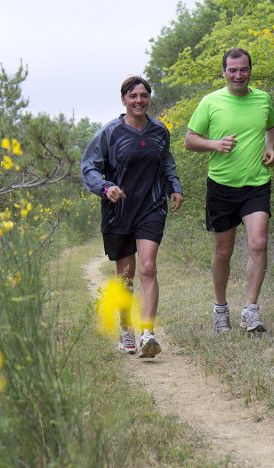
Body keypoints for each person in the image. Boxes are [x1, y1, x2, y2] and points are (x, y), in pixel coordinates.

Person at [81, 76, 183, 357]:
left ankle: (147, 333)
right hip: (119, 210)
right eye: (133, 96)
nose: (139, 100)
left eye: (143, 95)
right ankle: (126, 331)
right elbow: (89, 167)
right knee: (125, 276)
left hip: (151, 207)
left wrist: (174, 187)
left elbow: (166, 162)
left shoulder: (160, 131)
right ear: (124, 100)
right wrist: (105, 187)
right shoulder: (109, 133)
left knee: (148, 267)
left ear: (149, 98)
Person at [184, 48, 274, 334]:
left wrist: (271, 147)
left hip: (256, 184)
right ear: (224, 73)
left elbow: (272, 126)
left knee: (258, 243)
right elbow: (189, 140)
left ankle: (250, 310)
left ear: (250, 70)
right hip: (221, 186)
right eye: (233, 70)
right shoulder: (210, 102)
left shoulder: (262, 99)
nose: (239, 75)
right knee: (223, 252)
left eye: (244, 69)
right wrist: (215, 145)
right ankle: (220, 308)